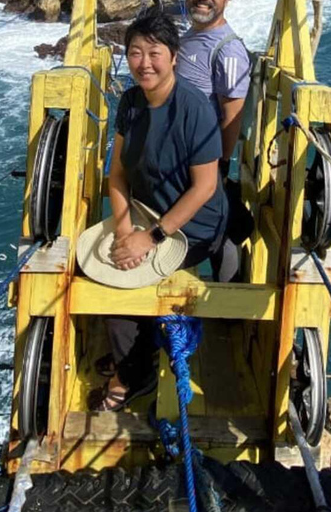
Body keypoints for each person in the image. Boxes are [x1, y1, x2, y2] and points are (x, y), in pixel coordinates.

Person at [90, 11, 232, 411]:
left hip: (194, 226)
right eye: (135, 52)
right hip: (145, 215)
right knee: (105, 259)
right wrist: (123, 231)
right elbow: (116, 176)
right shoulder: (131, 102)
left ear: (174, 57)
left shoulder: (194, 108)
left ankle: (136, 376)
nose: (144, 62)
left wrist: (149, 239)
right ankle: (130, 354)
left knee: (122, 278)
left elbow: (204, 187)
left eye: (155, 52)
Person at [176, 0, 253, 276]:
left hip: (201, 163)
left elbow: (232, 115)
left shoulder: (228, 50)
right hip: (179, 161)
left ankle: (227, 303)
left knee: (220, 230)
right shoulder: (191, 36)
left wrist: (218, 167)